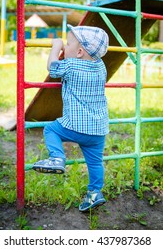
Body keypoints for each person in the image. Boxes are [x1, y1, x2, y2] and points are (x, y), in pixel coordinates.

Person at [33, 24, 109, 212]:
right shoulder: (101, 67)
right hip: (98, 129)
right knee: (95, 162)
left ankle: (57, 158)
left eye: (68, 44)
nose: (65, 47)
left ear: (80, 52)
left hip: (74, 125)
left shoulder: (71, 65)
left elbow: (52, 68)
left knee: (50, 129)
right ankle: (94, 193)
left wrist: (55, 47)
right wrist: (66, 47)